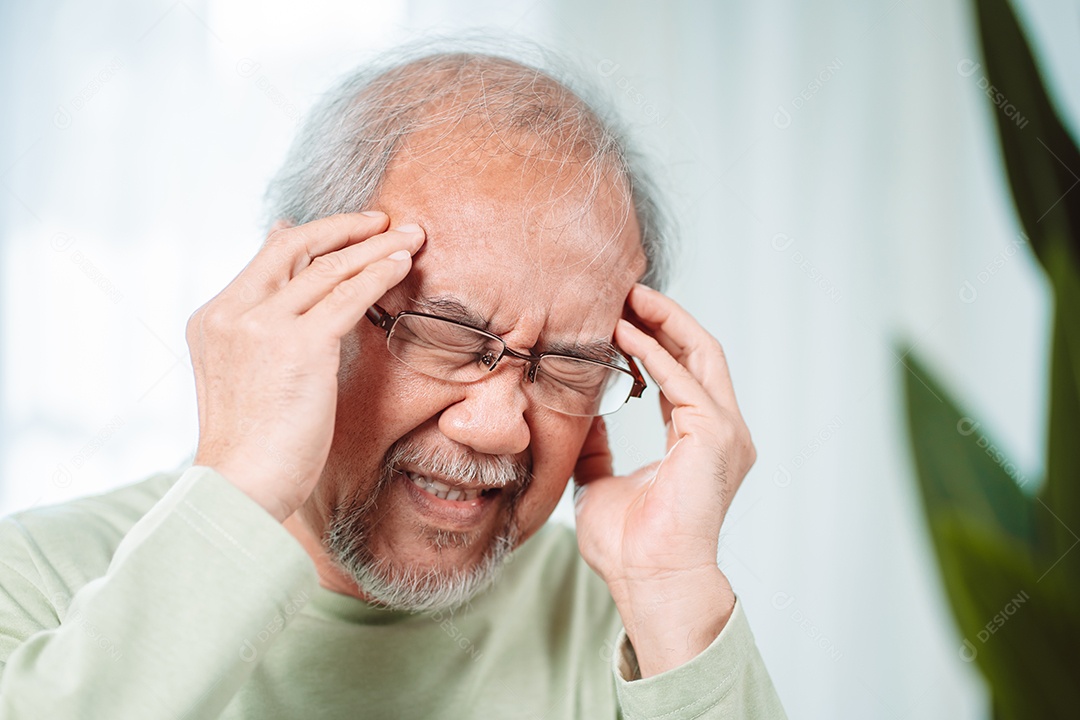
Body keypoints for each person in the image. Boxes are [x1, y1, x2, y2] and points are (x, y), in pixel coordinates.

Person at [0, 43, 786, 718]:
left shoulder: (629, 624)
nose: (499, 426)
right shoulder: (35, 582)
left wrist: (670, 586)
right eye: (446, 334)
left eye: (572, 366)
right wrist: (237, 490)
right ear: (297, 299)